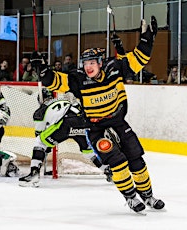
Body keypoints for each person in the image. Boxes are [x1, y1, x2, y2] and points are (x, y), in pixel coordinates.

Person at [31, 16, 165, 213]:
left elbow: (138, 60)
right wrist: (42, 70)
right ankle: (130, 197)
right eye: (85, 63)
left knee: (137, 160)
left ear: (101, 63)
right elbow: (56, 81)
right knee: (117, 162)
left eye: (92, 62)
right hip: (96, 129)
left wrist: (147, 40)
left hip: (119, 123)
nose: (88, 67)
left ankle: (148, 195)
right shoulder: (78, 80)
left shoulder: (115, 68)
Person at [19, 88, 111, 186]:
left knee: (40, 142)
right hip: (82, 122)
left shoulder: (41, 110)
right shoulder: (65, 100)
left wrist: (45, 150)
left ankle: (34, 174)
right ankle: (108, 171)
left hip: (65, 124)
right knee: (88, 151)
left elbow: (39, 134)